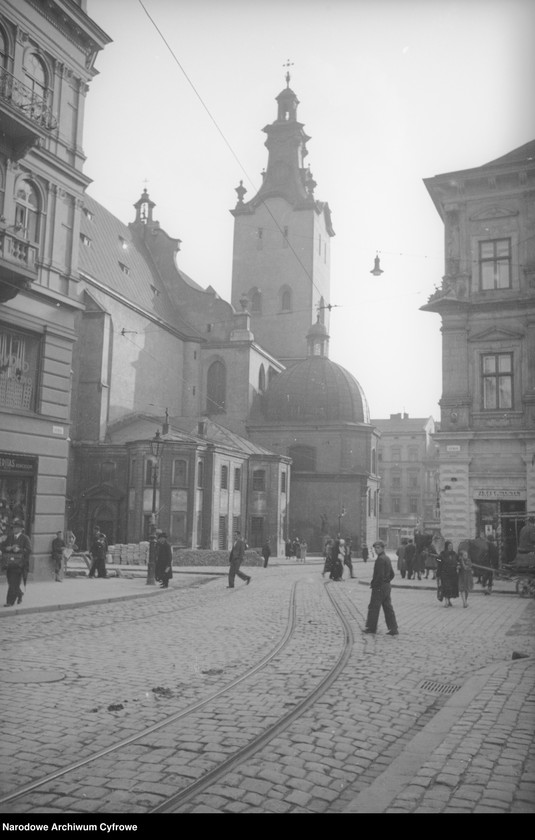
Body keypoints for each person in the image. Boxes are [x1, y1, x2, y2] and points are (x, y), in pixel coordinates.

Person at [364, 540, 398, 635]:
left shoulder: (380, 559)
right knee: (388, 608)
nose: (376, 550)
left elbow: (379, 575)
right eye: (375, 548)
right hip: (386, 587)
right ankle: (393, 628)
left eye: (378, 548)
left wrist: (375, 585)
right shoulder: (386, 558)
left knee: (374, 608)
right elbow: (392, 574)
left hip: (379, 587)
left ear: (383, 548)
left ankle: (371, 628)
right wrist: (387, 582)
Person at [3, 519, 31, 607]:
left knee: (14, 582)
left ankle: (10, 601)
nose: (14, 529)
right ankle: (19, 594)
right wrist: (7, 548)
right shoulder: (10, 537)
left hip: (19, 564)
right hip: (9, 563)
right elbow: (3, 546)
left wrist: (20, 549)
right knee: (11, 582)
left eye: (16, 528)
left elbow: (29, 550)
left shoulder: (25, 538)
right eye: (14, 528)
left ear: (21, 529)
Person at [437, 540, 459, 606]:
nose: (450, 547)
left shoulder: (454, 554)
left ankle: (449, 600)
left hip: (453, 573)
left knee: (451, 588)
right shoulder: (443, 553)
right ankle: (446, 601)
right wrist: (440, 560)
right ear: (446, 546)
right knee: (446, 587)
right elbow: (438, 560)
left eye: (451, 546)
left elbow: (457, 561)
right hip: (445, 573)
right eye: (449, 546)